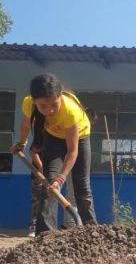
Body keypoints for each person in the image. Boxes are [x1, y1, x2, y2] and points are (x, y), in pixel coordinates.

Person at [10, 73, 97, 235]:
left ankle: (91, 231)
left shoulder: (70, 111)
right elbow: (25, 125)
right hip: (54, 137)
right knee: (49, 184)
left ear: (59, 96)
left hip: (81, 137)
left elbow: (72, 151)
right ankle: (45, 234)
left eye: (53, 105)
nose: (49, 110)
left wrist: (61, 178)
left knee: (81, 185)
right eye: (43, 106)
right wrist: (21, 144)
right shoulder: (28, 103)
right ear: (34, 100)